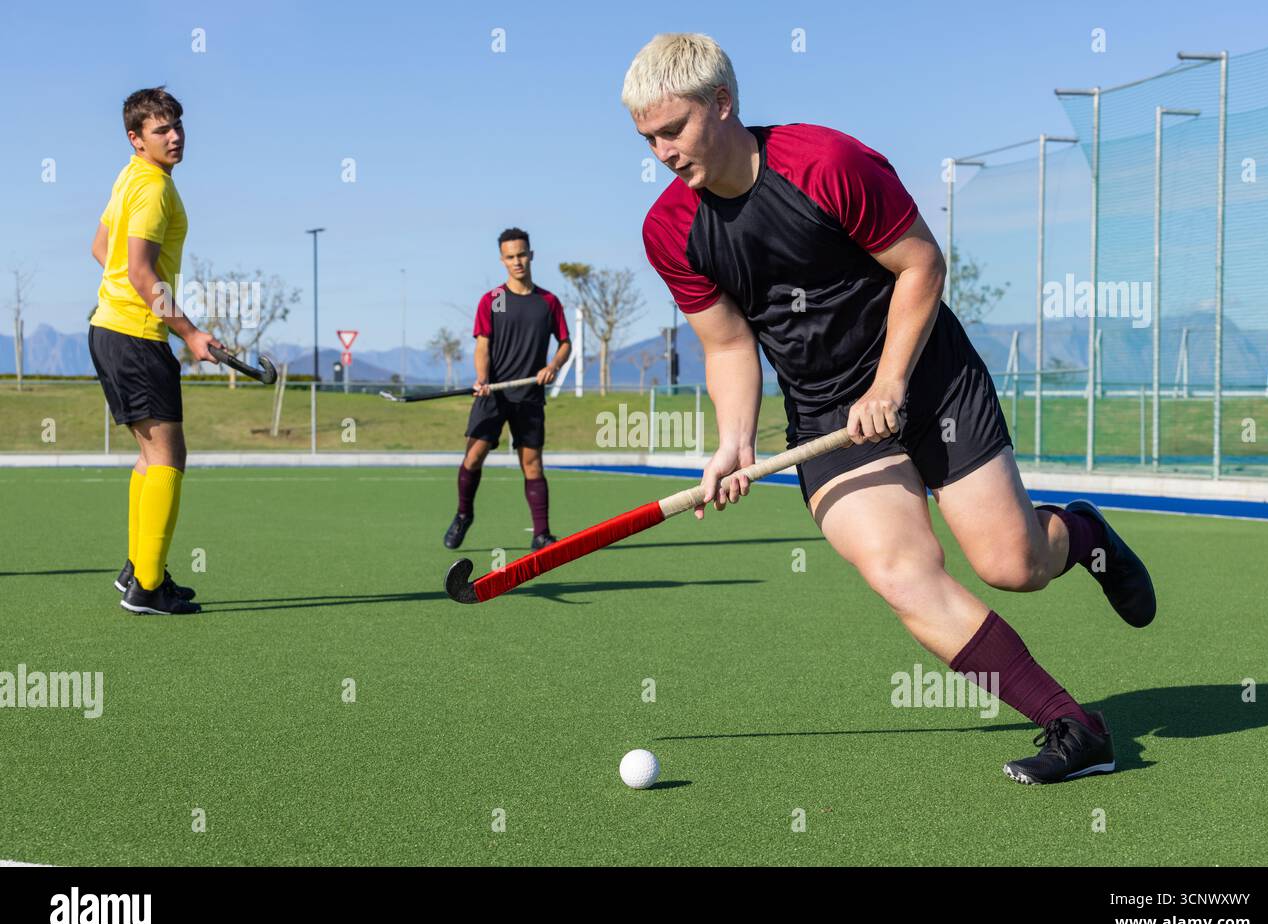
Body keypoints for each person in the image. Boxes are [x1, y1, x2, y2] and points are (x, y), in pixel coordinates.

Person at [626, 34, 1156, 784]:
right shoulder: (669, 230)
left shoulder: (828, 163)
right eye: (646, 137)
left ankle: (1084, 532)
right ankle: (1074, 726)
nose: (660, 152)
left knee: (1014, 564)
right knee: (903, 574)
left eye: (672, 129)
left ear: (722, 104)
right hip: (824, 416)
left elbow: (921, 265)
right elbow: (727, 345)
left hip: (929, 375)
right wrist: (734, 443)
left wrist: (890, 382)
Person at [89, 87, 223, 615]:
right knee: (169, 456)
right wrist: (190, 333)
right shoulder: (154, 189)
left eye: (177, 125)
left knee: (149, 457)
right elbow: (141, 271)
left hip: (111, 329)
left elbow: (101, 248)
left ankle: (139, 570)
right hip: (137, 336)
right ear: (136, 138)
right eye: (161, 130)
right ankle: (148, 588)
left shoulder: (131, 175)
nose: (174, 136)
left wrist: (125, 292)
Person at [444, 228, 572, 552]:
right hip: (494, 394)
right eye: (511, 257)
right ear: (502, 260)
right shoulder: (493, 300)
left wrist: (553, 367)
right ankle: (463, 514)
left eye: (522, 254)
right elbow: (482, 346)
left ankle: (541, 534)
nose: (518, 261)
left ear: (532, 254)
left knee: (532, 465)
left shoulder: (548, 302)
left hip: (529, 396)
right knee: (473, 457)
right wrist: (482, 379)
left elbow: (565, 343)